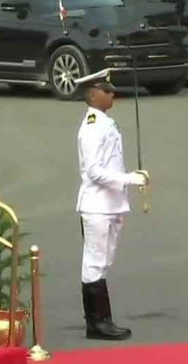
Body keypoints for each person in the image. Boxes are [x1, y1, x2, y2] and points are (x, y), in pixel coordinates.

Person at [73, 69, 149, 341]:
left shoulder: (105, 122)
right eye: (107, 90)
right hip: (97, 205)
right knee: (94, 262)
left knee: (103, 261)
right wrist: (129, 178)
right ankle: (96, 323)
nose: (112, 94)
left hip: (111, 204)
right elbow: (94, 171)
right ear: (93, 94)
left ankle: (103, 319)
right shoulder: (93, 126)